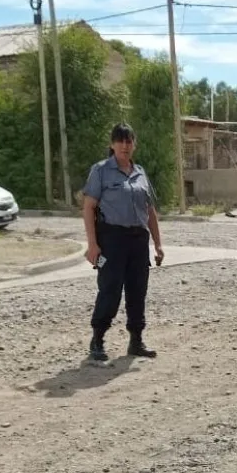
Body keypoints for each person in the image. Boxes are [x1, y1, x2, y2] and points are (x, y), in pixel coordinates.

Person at [82, 123, 164, 363]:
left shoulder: (140, 172)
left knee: (138, 290)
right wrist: (92, 244)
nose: (125, 146)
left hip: (138, 239)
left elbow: (149, 210)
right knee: (110, 288)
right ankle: (97, 340)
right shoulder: (100, 171)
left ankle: (136, 341)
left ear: (134, 144)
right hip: (112, 239)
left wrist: (158, 244)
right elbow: (88, 207)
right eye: (120, 141)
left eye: (129, 141)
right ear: (112, 144)